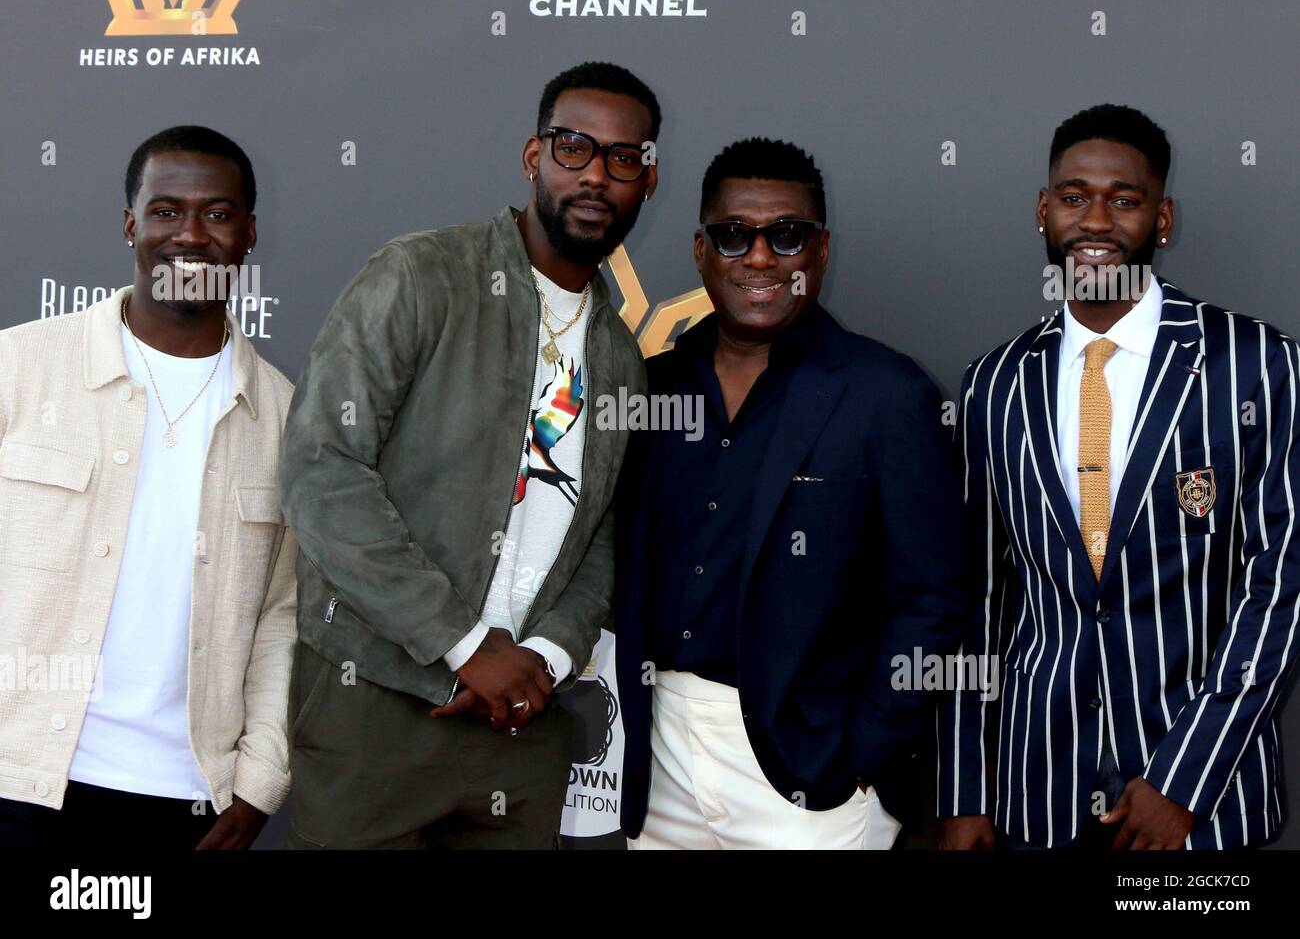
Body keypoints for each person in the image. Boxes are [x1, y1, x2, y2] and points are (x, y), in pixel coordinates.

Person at [278, 61, 655, 849]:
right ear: (533, 156)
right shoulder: (420, 275)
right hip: (375, 701)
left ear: (646, 184)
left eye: (624, 159)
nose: (596, 175)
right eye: (574, 147)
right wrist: (462, 644)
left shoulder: (621, 355)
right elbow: (323, 471)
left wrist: (544, 659)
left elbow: (602, 540)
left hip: (523, 727)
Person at [938, 104, 1300, 850]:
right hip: (1034, 796)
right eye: (1073, 197)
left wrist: (1186, 780)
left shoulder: (1256, 364)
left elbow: (1280, 585)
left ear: (1161, 219)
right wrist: (967, 789)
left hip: (1201, 804)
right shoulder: (994, 383)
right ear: (1045, 210)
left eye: (1124, 200)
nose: (1095, 220)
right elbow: (971, 601)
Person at [616, 138, 966, 849]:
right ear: (700, 250)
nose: (761, 258)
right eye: (735, 235)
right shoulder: (650, 384)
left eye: (787, 235)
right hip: (654, 760)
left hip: (811, 771)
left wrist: (864, 752)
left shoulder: (887, 394)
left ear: (822, 252)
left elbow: (932, 597)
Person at [0, 125, 297, 849]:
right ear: (130, 223)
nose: (189, 235)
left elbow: (286, 620)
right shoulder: (19, 369)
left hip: (187, 802)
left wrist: (261, 783)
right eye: (166, 211)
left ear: (250, 233)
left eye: (218, 214)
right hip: (18, 775)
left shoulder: (291, 420)